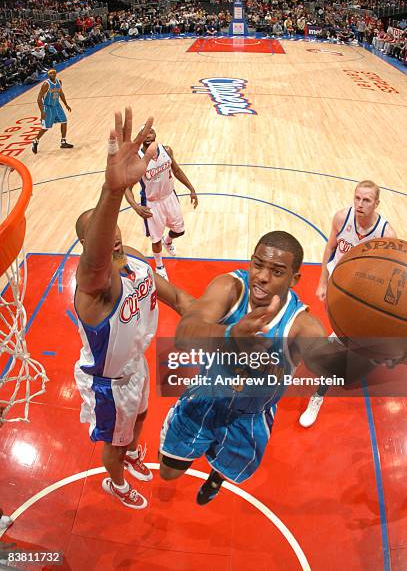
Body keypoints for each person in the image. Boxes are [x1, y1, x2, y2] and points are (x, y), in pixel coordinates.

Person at [158, 231, 369, 505]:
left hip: (251, 416)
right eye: (257, 264)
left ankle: (216, 478)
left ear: (294, 279)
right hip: (204, 399)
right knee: (168, 473)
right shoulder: (230, 288)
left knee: (226, 469)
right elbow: (184, 334)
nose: (262, 277)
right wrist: (230, 335)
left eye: (277, 271)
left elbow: (336, 367)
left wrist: (377, 345)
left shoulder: (302, 325)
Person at [74, 107, 194, 510]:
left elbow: (178, 298)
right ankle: (116, 481)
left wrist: (225, 322)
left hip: (136, 363)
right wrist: (112, 192)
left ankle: (130, 453)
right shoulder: (93, 290)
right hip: (108, 381)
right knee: (114, 439)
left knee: (141, 419)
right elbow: (94, 263)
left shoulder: (138, 261)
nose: (112, 242)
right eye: (100, 238)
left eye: (113, 234)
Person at [299, 180, 397, 427]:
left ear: (376, 203)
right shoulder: (342, 218)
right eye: (357, 198)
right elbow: (330, 248)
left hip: (364, 294)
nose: (360, 204)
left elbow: (392, 273)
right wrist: (323, 281)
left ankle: (318, 394)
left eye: (366, 200)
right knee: (341, 333)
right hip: (339, 284)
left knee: (345, 340)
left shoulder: (386, 234)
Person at [125, 126, 198, 281]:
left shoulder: (166, 150)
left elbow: (176, 171)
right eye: (144, 133)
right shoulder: (137, 159)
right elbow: (127, 189)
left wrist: (191, 188)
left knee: (179, 230)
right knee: (155, 239)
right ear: (141, 137)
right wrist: (136, 207)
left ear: (155, 134)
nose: (148, 135)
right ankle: (159, 266)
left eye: (151, 132)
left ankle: (169, 240)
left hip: (170, 197)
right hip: (152, 204)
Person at [32, 69, 73, 154]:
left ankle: (63, 142)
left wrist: (66, 104)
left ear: (56, 74)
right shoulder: (46, 84)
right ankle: (35, 141)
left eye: (54, 72)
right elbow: (39, 98)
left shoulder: (59, 82)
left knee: (64, 121)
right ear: (48, 75)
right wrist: (42, 112)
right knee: (45, 128)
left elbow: (61, 93)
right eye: (50, 73)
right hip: (48, 107)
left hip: (57, 105)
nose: (52, 74)